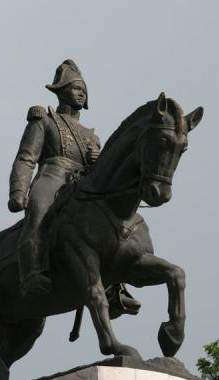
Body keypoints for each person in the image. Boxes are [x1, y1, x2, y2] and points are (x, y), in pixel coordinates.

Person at [9, 59, 140, 317]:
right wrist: (18, 190)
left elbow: (105, 173)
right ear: (61, 90)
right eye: (75, 88)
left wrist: (96, 162)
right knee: (39, 212)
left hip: (83, 185)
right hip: (52, 176)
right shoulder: (44, 121)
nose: (81, 93)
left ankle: (116, 289)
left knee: (112, 224)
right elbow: (26, 157)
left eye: (84, 90)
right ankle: (31, 272)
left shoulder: (92, 136)